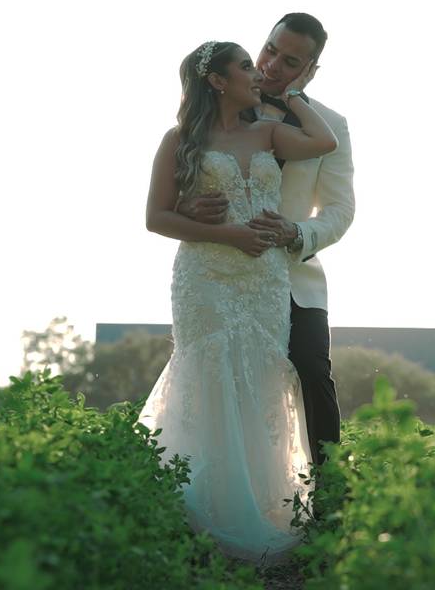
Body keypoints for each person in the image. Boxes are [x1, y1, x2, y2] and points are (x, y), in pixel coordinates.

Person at [135, 39, 338, 565]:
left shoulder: (270, 130)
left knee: (261, 381)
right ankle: (198, 510)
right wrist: (225, 232)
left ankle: (261, 507)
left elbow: (324, 142)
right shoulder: (179, 140)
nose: (259, 71)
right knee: (210, 378)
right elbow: (157, 218)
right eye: (247, 65)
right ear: (218, 81)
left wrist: (291, 94)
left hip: (265, 283)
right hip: (206, 278)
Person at [177, 13, 354, 472]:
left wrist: (297, 233)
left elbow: (340, 210)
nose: (272, 65)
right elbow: (176, 188)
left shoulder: (330, 125)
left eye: (290, 61)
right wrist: (188, 209)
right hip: (222, 273)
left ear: (310, 67)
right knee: (219, 380)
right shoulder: (220, 107)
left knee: (313, 372)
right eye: (270, 50)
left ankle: (329, 491)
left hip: (294, 277)